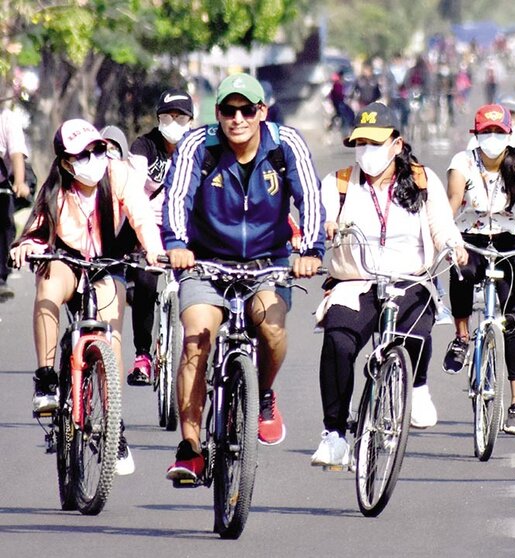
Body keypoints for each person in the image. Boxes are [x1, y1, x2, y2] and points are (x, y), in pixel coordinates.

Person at [161, 73, 325, 481]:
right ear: (217, 114)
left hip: (268, 264)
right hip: (207, 262)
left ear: (262, 112)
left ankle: (263, 394)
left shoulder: (287, 144)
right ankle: (191, 447)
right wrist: (177, 244)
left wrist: (311, 252)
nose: (238, 119)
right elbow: (177, 197)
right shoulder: (198, 145)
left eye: (247, 110)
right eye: (228, 111)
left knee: (271, 329)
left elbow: (311, 198)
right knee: (197, 338)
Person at [310, 102, 467, 467]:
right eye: (360, 142)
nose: (367, 151)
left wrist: (453, 246)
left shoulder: (424, 180)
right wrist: (326, 229)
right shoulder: (339, 183)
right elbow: (322, 220)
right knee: (338, 341)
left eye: (376, 142)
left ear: (397, 144)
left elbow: (442, 226)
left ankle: (417, 384)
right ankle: (334, 434)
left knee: (414, 333)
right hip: (355, 280)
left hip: (410, 279)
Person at [10, 118, 165, 475]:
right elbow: (36, 231)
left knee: (112, 331)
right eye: (84, 154)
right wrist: (27, 248)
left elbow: (141, 216)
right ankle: (47, 379)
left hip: (107, 264)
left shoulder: (119, 174)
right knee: (47, 286)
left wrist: (154, 250)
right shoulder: (55, 189)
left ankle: (114, 423)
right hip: (66, 260)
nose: (95, 158)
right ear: (66, 162)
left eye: (98, 149)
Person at [442, 104, 515, 437]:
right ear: (476, 135)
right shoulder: (462, 162)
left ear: (509, 134)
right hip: (472, 236)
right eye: (486, 133)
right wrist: (442, 236)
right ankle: (462, 337)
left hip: (510, 239)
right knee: (460, 267)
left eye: (498, 133)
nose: (492, 139)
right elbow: (453, 201)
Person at [117, 88, 196, 386]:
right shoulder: (144, 146)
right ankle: (142, 356)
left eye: (180, 117)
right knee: (146, 281)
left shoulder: (199, 149)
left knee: (199, 286)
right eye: (167, 116)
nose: (173, 122)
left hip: (184, 227)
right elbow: (133, 191)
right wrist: (144, 237)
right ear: (159, 118)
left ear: (190, 120)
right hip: (146, 225)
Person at [0, 101, 31, 301]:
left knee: (5, 225)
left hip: (1, 183)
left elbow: (16, 153)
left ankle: (1, 278)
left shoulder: (7, 119)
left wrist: (19, 182)